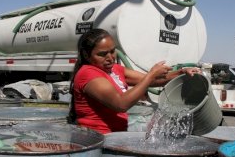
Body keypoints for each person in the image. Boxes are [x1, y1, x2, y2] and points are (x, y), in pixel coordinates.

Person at [69, 28, 201, 134]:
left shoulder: (115, 69)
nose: (110, 57)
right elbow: (120, 104)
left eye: (113, 51)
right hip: (97, 138)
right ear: (86, 55)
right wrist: (151, 75)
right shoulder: (88, 73)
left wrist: (181, 72)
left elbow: (152, 81)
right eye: (103, 54)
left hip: (115, 135)